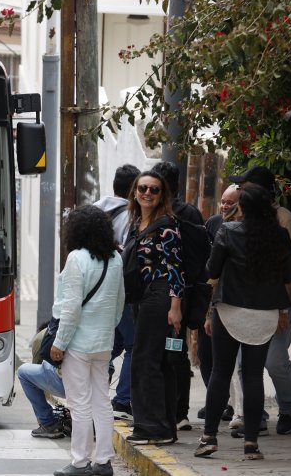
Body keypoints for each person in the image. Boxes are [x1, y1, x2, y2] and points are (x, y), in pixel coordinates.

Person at [194, 183, 291, 461]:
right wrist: (283, 312)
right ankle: (251, 444)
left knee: (220, 373)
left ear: (243, 207)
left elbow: (211, 270)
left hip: (229, 310)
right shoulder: (281, 235)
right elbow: (289, 278)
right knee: (253, 377)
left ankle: (209, 438)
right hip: (265, 314)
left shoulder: (227, 231)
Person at [48, 205, 123, 476]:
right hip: (103, 342)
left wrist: (60, 342)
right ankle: (103, 461)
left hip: (78, 342)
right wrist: (105, 329)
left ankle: (79, 462)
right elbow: (119, 303)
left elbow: (71, 308)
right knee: (102, 401)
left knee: (79, 403)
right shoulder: (115, 258)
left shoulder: (76, 258)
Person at [229, 165, 291, 437]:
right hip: (248, 302)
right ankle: (255, 417)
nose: (239, 191)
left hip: (280, 301)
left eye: (244, 187)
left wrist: (283, 308)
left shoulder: (285, 221)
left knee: (274, 360)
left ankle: (287, 407)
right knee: (244, 362)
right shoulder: (241, 218)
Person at [126, 170, 184, 445]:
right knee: (158, 361)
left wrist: (175, 306)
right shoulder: (136, 222)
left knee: (144, 361)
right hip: (143, 296)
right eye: (142, 188)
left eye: (154, 189)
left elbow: (175, 267)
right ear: (135, 192)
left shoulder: (166, 225)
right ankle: (164, 427)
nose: (147, 194)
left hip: (160, 295)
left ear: (163, 195)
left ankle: (150, 428)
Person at [151, 161, 201, 431]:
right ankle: (179, 411)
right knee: (176, 351)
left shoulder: (163, 215)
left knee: (164, 352)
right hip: (184, 296)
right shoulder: (191, 213)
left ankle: (170, 410)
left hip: (168, 299)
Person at [94, 163, 139, 421]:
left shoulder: (96, 209)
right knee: (132, 343)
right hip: (122, 290)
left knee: (112, 342)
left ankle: (94, 386)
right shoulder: (132, 216)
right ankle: (122, 400)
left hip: (97, 289)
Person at [197, 184, 242, 427]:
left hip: (235, 302)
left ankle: (239, 409)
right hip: (212, 299)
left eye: (230, 202)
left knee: (237, 365)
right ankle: (220, 401)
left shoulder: (245, 230)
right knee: (206, 355)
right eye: (222, 201)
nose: (225, 206)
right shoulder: (213, 223)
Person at [18, 322, 67, 439]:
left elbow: (37, 375)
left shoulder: (42, 335)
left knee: (23, 372)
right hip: (97, 383)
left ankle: (48, 423)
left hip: (67, 381)